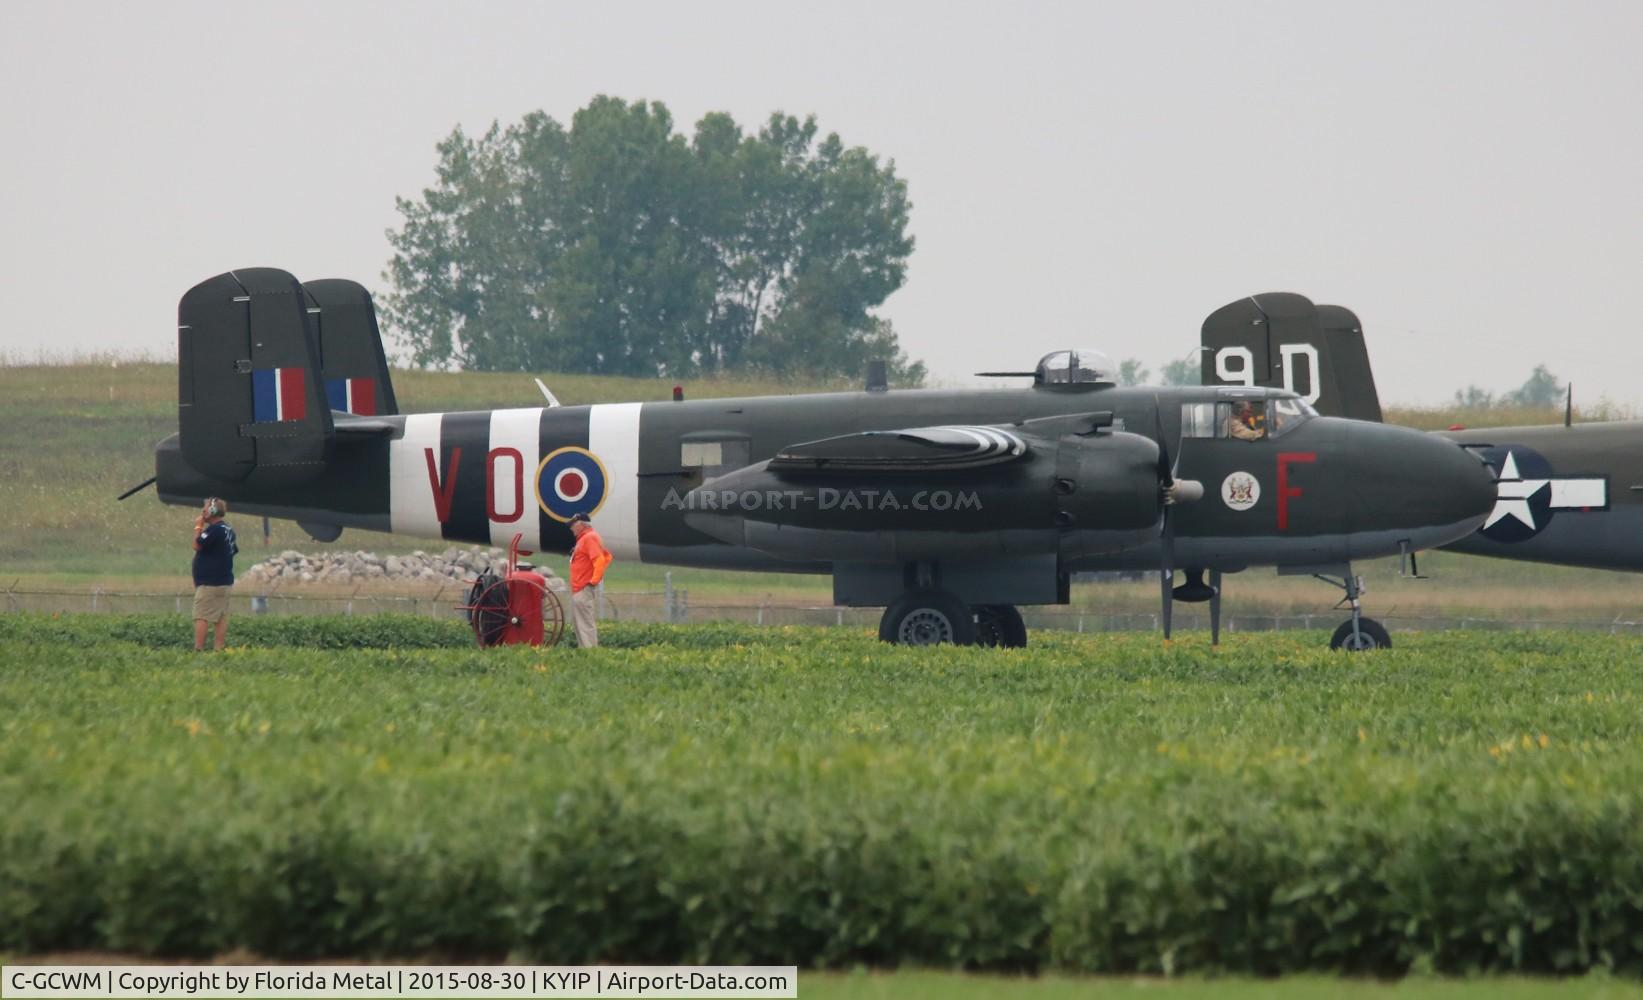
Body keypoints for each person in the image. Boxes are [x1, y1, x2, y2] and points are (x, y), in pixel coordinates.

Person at [191, 497, 238, 651]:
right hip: (224, 582)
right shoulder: (228, 529)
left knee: (201, 616)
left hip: (210, 583)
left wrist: (198, 527)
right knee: (220, 617)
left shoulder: (214, 530)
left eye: (205, 508)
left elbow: (197, 545)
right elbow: (232, 550)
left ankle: (198, 649)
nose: (203, 511)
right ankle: (218, 649)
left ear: (212, 511)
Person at [567, 512, 613, 648]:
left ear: (581, 525)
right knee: (579, 623)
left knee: (585, 624)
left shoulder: (590, 538)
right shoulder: (584, 539)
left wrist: (593, 582)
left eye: (573, 525)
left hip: (583, 588)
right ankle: (586, 652)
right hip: (579, 589)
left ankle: (590, 653)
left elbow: (600, 559)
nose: (571, 528)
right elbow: (606, 556)